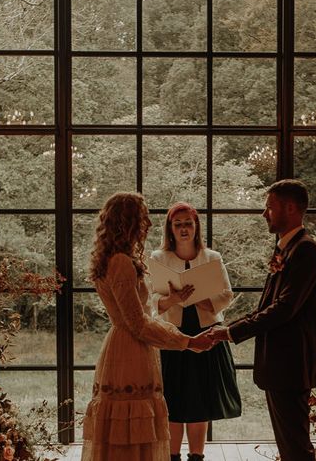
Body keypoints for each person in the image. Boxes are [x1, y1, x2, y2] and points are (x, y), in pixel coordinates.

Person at [81, 192, 215, 461]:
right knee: (130, 429)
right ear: (127, 222)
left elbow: (139, 317)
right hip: (129, 350)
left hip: (128, 345)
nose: (148, 225)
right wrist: (187, 341)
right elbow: (138, 324)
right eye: (142, 218)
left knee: (132, 429)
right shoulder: (120, 262)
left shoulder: (116, 258)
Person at [209, 179, 316, 461]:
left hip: (291, 364)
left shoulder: (305, 250)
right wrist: (227, 328)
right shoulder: (287, 249)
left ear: (290, 208)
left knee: (296, 447)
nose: (264, 214)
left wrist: (229, 333)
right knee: (290, 446)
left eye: (269, 207)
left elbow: (284, 308)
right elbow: (269, 305)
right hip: (280, 365)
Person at [150, 202, 242, 461]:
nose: (183, 229)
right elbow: (152, 299)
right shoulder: (159, 258)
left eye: (188, 223)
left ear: (196, 226)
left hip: (206, 333)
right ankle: (172, 457)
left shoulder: (212, 257)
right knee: (173, 398)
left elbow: (227, 294)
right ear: (170, 228)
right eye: (177, 224)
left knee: (200, 399)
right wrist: (174, 299)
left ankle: (196, 456)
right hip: (172, 334)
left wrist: (202, 299)